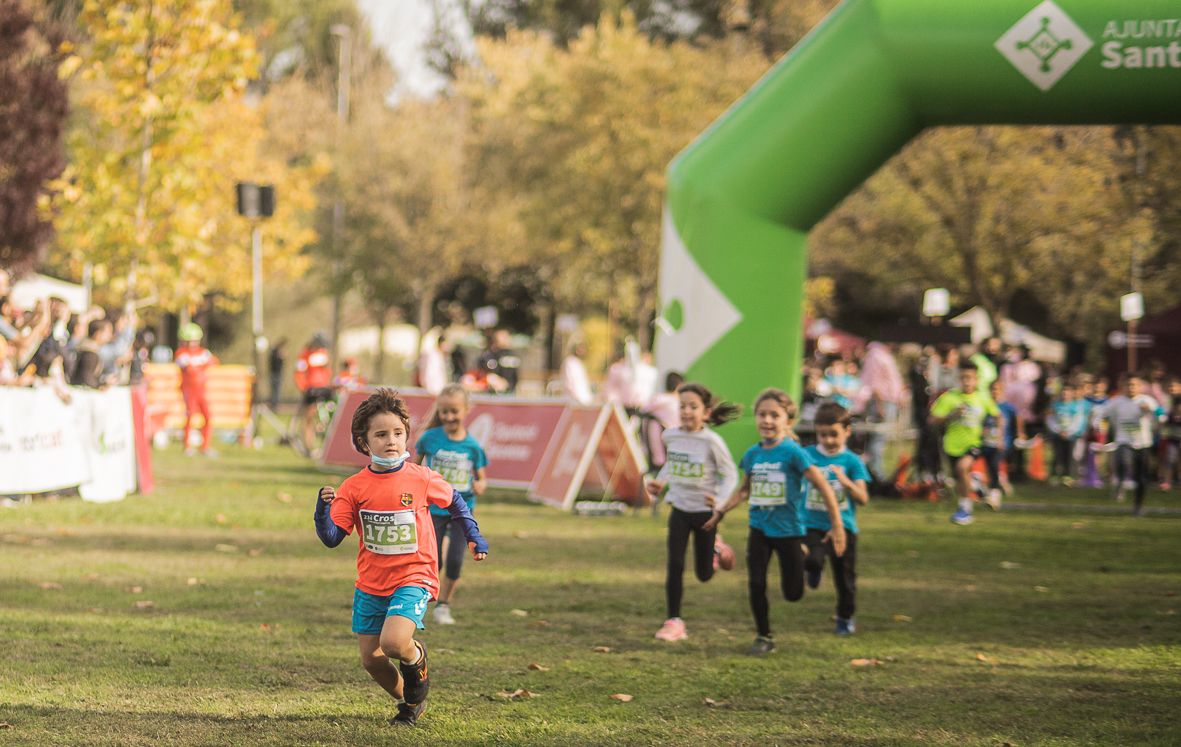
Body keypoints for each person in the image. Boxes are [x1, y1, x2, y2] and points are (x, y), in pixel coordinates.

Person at [314, 388, 489, 726]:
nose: (391, 440)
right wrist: (322, 511)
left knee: (394, 642)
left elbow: (455, 501)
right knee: (372, 659)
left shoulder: (421, 478)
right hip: (371, 583)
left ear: (407, 435)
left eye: (397, 433)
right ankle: (410, 702)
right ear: (364, 442)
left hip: (415, 576)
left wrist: (474, 535)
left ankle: (415, 659)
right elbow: (333, 538)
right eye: (381, 434)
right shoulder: (353, 487)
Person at [704, 389, 847, 654]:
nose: (767, 420)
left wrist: (837, 526)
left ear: (787, 421)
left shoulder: (794, 453)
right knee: (756, 583)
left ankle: (809, 562)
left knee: (793, 593)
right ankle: (764, 635)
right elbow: (745, 490)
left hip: (788, 531)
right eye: (762, 414)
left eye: (774, 415)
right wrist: (722, 511)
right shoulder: (752, 455)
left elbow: (824, 487)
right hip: (759, 528)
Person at [644, 382, 740, 642]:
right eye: (682, 406)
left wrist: (720, 501)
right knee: (674, 564)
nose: (686, 411)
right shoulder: (671, 436)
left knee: (704, 575)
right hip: (680, 508)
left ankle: (716, 549)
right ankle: (674, 621)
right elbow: (672, 464)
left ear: (706, 412)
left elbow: (730, 474)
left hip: (705, 514)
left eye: (693, 407)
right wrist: (660, 482)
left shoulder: (712, 441)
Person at [415, 384, 489, 626]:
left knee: (456, 560)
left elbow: (481, 478)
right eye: (444, 411)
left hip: (462, 511)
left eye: (454, 411)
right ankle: (420, 605)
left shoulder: (473, 447)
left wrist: (480, 485)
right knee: (433, 560)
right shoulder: (429, 439)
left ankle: (444, 605)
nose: (449, 417)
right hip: (433, 509)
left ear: (466, 410)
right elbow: (413, 469)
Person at [802, 402, 867, 636]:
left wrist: (845, 480)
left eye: (834, 435)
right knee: (812, 558)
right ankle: (813, 570)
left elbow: (863, 498)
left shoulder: (852, 462)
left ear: (847, 431)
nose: (828, 440)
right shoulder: (807, 455)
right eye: (822, 435)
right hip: (811, 523)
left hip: (844, 526)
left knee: (845, 577)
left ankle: (845, 617)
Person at [929, 361, 1001, 525]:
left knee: (961, 469)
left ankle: (965, 510)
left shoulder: (982, 397)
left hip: (974, 443)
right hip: (952, 445)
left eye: (970, 378)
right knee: (960, 479)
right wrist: (951, 415)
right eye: (963, 378)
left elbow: (997, 415)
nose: (967, 382)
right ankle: (975, 485)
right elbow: (932, 419)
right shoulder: (949, 398)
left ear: (977, 380)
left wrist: (997, 436)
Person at [1094, 373, 1160, 515]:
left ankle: (1138, 506)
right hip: (1124, 441)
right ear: (1123, 386)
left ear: (1140, 386)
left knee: (1141, 478)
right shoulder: (1117, 401)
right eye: (1128, 385)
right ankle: (1120, 483)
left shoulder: (1146, 401)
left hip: (1143, 443)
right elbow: (1102, 415)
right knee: (1123, 461)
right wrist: (1099, 426)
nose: (1131, 388)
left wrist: (1150, 411)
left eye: (1134, 385)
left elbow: (1161, 414)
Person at [175, 322, 219, 456]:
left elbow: (214, 361)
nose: (192, 344)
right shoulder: (181, 353)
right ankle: (187, 446)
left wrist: (198, 366)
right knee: (190, 417)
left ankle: (205, 446)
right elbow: (189, 369)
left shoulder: (203, 352)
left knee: (207, 416)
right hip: (189, 390)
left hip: (202, 390)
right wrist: (201, 365)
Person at [294, 333, 333, 455]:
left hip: (323, 388)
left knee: (326, 416)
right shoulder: (305, 354)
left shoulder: (323, 353)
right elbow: (299, 373)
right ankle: (308, 446)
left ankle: (324, 444)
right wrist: (303, 387)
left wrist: (327, 383)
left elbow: (327, 371)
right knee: (308, 418)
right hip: (310, 389)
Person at [1047, 382, 1088, 486]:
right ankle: (1055, 475)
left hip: (1071, 436)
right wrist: (1058, 430)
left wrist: (1068, 432)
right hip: (1057, 435)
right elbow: (1050, 419)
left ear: (1072, 393)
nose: (1065, 393)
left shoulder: (1076, 406)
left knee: (1069, 455)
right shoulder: (1055, 405)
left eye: (1068, 391)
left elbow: (1078, 421)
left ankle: (1068, 476)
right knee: (1057, 454)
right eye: (1063, 391)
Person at [559, 340, 593, 405]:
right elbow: (569, 382)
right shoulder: (569, 362)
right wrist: (576, 396)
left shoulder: (580, 363)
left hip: (583, 400)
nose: (582, 350)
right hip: (573, 400)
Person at [268, 338, 287, 410]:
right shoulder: (275, 353)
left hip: (276, 373)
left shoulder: (273, 352)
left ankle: (275, 404)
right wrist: (281, 358)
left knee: (275, 391)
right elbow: (275, 363)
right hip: (275, 374)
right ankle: (274, 405)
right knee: (275, 390)